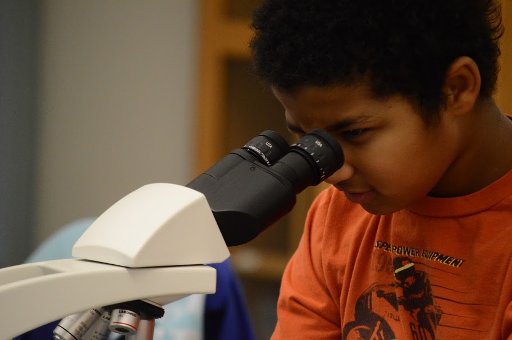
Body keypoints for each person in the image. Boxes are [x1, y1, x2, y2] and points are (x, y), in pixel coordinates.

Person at [249, 0, 512, 338]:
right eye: (302, 133)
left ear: (455, 89)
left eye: (355, 133)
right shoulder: (336, 218)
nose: (333, 173)